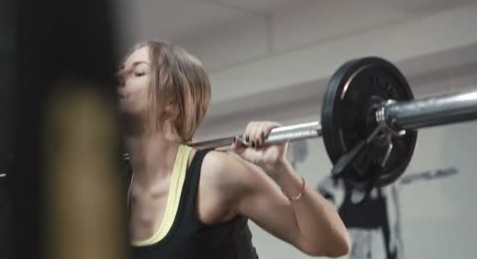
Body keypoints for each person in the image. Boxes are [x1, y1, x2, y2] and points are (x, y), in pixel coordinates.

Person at [117, 40, 351, 259]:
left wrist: (280, 168)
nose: (118, 77)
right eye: (120, 70)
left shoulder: (214, 173)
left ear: (172, 104)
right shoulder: (115, 182)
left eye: (138, 72)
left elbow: (333, 244)